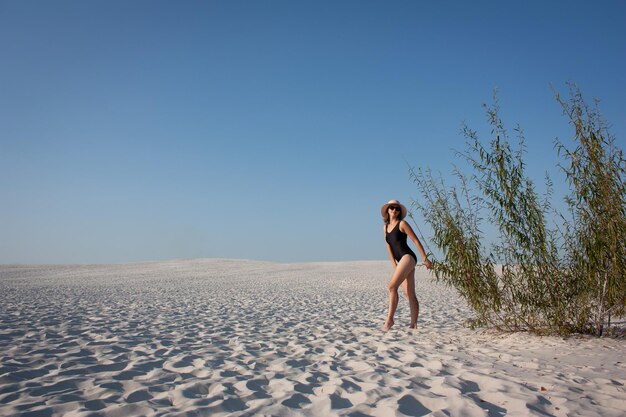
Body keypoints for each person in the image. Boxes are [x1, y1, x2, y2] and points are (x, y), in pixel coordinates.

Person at [381, 199, 432, 331]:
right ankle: (414, 325)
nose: (394, 210)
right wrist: (395, 266)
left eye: (397, 208)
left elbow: (415, 240)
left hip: (408, 257)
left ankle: (389, 320)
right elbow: (389, 248)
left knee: (391, 286)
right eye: (392, 208)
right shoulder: (385, 228)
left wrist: (425, 258)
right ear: (387, 210)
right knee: (409, 293)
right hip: (400, 261)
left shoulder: (402, 224)